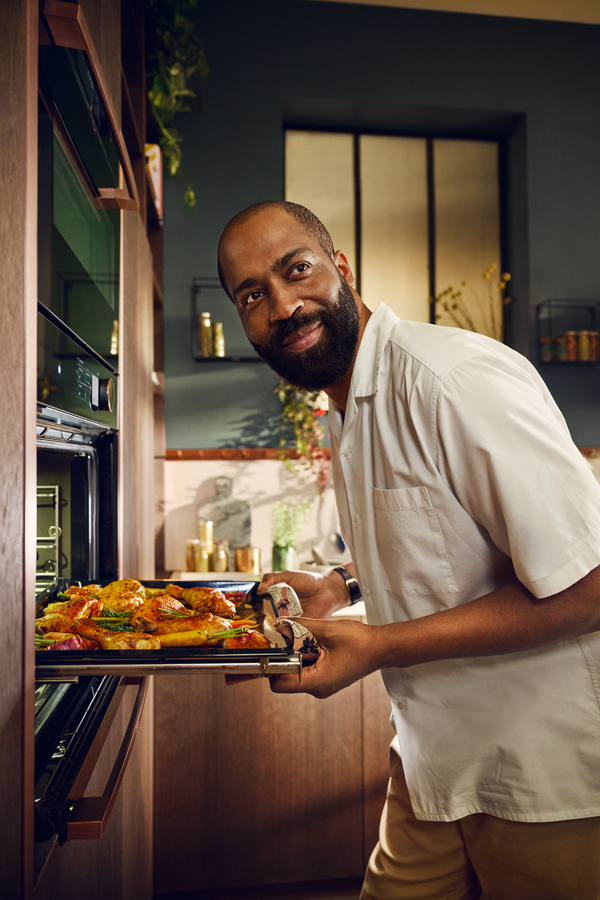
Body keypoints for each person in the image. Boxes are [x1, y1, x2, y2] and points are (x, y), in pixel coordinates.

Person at [217, 200, 600, 899]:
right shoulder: (345, 403)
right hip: (431, 765)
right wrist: (340, 586)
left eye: (295, 270)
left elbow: (589, 588)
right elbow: (444, 538)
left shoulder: (452, 381)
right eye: (252, 295)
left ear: (341, 269)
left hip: (546, 777)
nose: (282, 306)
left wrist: (377, 647)